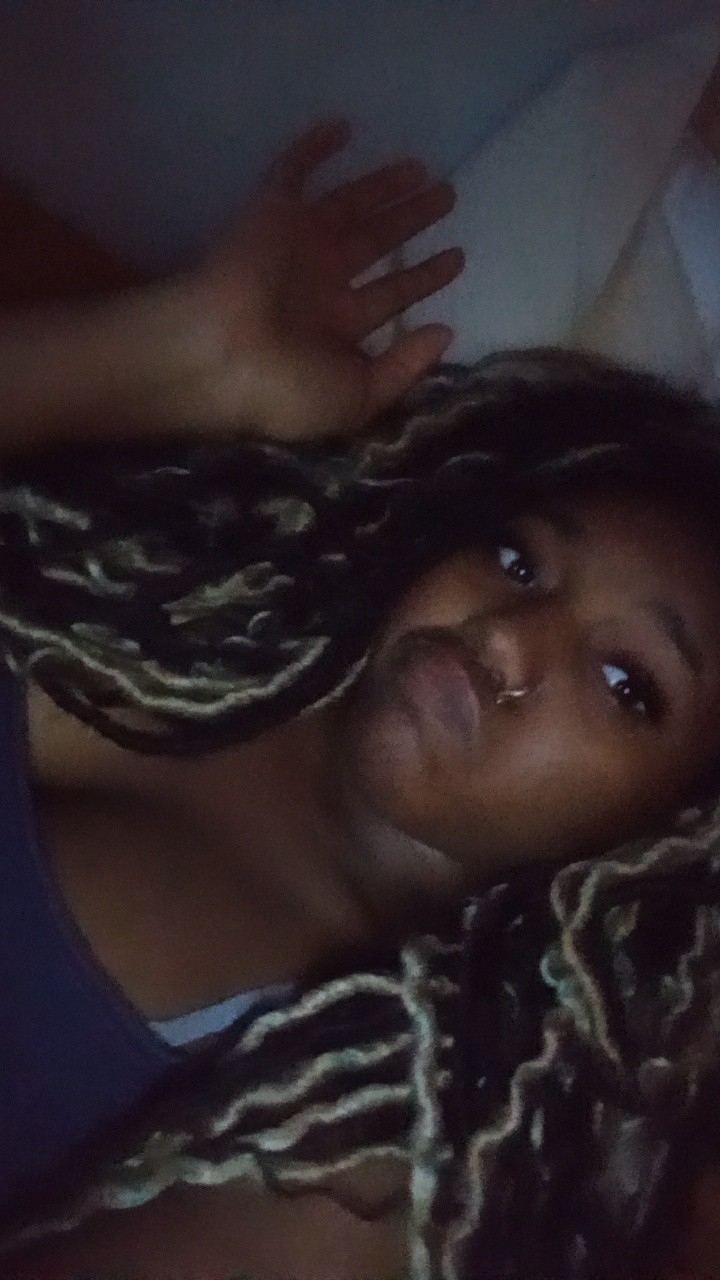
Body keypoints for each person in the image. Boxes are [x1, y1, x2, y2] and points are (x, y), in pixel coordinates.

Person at [4, 46, 720, 1280]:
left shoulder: (382, 1141)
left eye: (627, 684)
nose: (510, 636)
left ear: (674, 833)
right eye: (517, 555)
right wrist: (182, 352)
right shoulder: (179, 598)